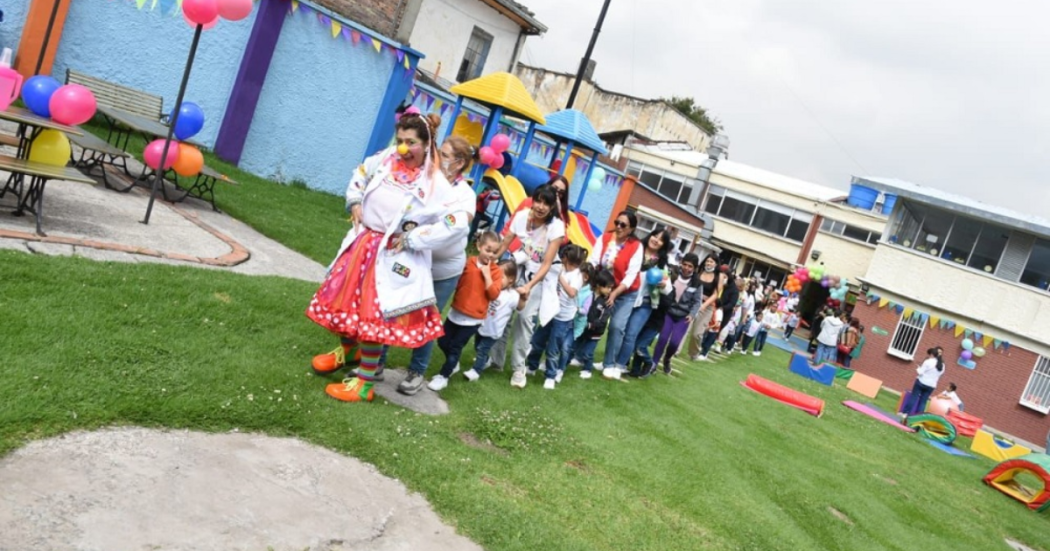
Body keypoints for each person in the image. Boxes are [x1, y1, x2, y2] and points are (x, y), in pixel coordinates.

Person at [307, 110, 464, 403]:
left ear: (426, 145)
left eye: (411, 142)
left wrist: (414, 239)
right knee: (340, 303)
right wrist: (355, 200)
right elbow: (361, 172)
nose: (403, 148)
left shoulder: (435, 182)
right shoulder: (386, 158)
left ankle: (365, 384)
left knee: (372, 317)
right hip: (362, 245)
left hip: (392, 256)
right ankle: (349, 350)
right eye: (401, 140)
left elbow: (457, 222)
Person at [489, 185, 566, 388]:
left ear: (552, 207)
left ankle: (518, 368)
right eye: (538, 201)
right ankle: (495, 360)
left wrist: (529, 286)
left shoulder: (556, 227)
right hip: (518, 267)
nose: (540, 206)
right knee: (502, 311)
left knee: (524, 319)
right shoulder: (523, 216)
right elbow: (505, 243)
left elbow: (547, 263)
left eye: (546, 203)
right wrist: (492, 260)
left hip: (539, 276)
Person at [427, 232, 504, 392]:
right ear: (478, 246)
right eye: (487, 250)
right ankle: (453, 363)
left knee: (456, 346)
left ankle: (444, 376)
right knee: (442, 341)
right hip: (456, 312)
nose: (490, 255)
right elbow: (457, 281)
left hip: (473, 319)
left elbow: (494, 294)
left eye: (494, 252)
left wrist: (487, 276)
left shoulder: (496, 272)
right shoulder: (468, 262)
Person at [587, 211, 643, 380]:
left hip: (625, 292)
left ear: (631, 229)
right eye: (617, 222)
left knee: (616, 326)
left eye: (623, 225)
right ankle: (581, 354)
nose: (618, 227)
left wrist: (615, 293)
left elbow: (632, 274)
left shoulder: (636, 246)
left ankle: (609, 364)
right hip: (603, 288)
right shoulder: (605, 238)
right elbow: (594, 260)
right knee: (591, 320)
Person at [525, 244, 586, 389]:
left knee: (553, 348)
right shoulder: (560, 268)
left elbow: (572, 293)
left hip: (563, 319)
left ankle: (550, 376)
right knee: (538, 341)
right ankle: (532, 367)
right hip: (550, 313)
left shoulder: (577, 275)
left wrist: (560, 278)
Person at [618, 228, 672, 375]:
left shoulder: (661, 264)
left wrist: (663, 284)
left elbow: (668, 289)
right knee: (618, 330)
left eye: (660, 239)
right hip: (627, 297)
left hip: (645, 303)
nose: (655, 240)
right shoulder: (636, 251)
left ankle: (620, 365)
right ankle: (610, 361)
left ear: (663, 245)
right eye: (654, 235)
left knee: (630, 334)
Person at [462, 261, 524, 381]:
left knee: (482, 350)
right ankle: (486, 361)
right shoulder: (491, 288)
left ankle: (476, 371)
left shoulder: (512, 295)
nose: (495, 279)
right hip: (481, 326)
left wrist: (524, 298)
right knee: (478, 346)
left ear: (511, 279)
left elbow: (520, 307)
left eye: (500, 277)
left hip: (493, 331)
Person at [651, 253, 703, 371]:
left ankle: (667, 359)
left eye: (690, 266)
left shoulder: (697, 283)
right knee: (662, 339)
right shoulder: (672, 275)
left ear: (695, 268)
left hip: (683, 317)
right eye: (684, 264)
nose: (686, 268)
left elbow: (697, 302)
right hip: (668, 313)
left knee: (674, 343)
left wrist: (692, 314)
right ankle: (653, 363)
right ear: (681, 263)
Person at [573, 269, 616, 378]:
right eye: (608, 287)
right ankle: (566, 363)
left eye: (611, 288)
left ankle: (587, 370)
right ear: (598, 285)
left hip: (595, 333)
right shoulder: (589, 295)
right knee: (573, 347)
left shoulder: (607, 302)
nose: (610, 290)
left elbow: (603, 320)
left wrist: (591, 325)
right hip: (583, 328)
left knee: (588, 353)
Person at [687, 254, 724, 360]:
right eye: (707, 261)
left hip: (707, 307)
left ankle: (694, 353)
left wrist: (704, 304)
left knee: (697, 334)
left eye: (711, 261)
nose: (708, 263)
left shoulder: (719, 276)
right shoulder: (699, 271)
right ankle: (675, 350)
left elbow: (716, 294)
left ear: (716, 264)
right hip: (692, 303)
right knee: (685, 328)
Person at [901, 347, 945, 417]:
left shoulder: (928, 361)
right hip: (931, 385)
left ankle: (905, 413)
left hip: (921, 382)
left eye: (930, 354)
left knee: (914, 397)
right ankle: (918, 417)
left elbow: (920, 372)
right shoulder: (942, 365)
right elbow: (939, 374)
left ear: (932, 354)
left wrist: (918, 368)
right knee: (923, 402)